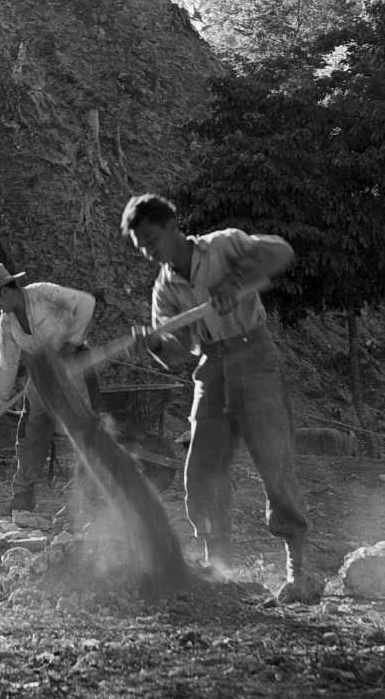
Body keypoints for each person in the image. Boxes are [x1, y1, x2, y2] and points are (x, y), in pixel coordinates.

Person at [120, 193, 323, 605]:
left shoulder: (223, 245)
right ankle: (219, 571)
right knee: (202, 469)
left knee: (274, 462)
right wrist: (156, 344)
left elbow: (281, 252)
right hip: (210, 368)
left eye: (151, 237)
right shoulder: (164, 288)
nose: (148, 250)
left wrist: (236, 279)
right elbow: (178, 357)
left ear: (173, 226)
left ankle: (298, 573)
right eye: (140, 244)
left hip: (254, 354)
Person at [0, 262, 97, 515]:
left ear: (4, 291)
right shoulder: (7, 321)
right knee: (30, 434)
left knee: (83, 436)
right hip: (42, 374)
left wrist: (72, 342)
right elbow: (7, 361)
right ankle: (22, 498)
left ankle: (89, 506)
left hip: (72, 367)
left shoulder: (43, 293)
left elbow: (86, 303)